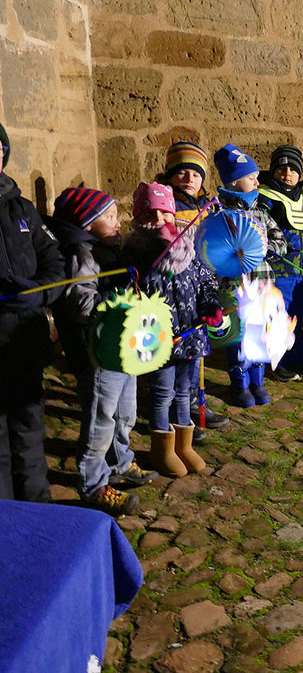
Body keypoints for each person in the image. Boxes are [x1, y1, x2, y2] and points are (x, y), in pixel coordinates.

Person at [46, 187, 158, 513]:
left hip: (121, 347)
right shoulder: (83, 253)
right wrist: (119, 306)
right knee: (101, 417)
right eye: (109, 217)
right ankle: (93, 482)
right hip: (98, 350)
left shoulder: (110, 249)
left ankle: (120, 461)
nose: (117, 221)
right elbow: (82, 304)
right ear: (88, 224)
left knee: (126, 411)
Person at [123, 182, 221, 478]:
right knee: (162, 392)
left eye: (164, 213)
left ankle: (183, 446)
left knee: (183, 392)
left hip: (189, 335)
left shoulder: (188, 248)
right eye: (150, 214)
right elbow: (129, 292)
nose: (158, 220)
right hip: (161, 339)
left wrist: (210, 306)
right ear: (139, 219)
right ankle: (161, 448)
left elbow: (206, 282)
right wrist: (141, 274)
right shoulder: (136, 253)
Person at [0, 122, 66, 501]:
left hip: (24, 336)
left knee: (28, 425)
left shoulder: (22, 208)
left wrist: (41, 293)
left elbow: (53, 257)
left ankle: (38, 507)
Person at [158, 141, 228, 436]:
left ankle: (194, 404)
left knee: (196, 352)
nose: (189, 179)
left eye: (196, 174)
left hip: (201, 282)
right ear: (170, 174)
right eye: (182, 172)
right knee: (177, 352)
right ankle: (176, 411)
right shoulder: (165, 203)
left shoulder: (206, 205)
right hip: (175, 285)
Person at [213, 144, 287, 407]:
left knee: (259, 333)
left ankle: (258, 381)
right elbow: (213, 247)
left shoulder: (261, 211)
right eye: (250, 177)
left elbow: (280, 239)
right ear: (234, 181)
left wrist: (267, 249)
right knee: (239, 335)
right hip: (235, 287)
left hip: (262, 284)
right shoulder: (220, 214)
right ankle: (240, 383)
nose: (257, 181)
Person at [258, 145, 303, 382]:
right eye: (282, 168)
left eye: (293, 169)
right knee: (278, 318)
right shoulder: (265, 197)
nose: (287, 173)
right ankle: (276, 363)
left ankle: (295, 360)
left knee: (298, 316)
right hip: (279, 272)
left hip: (302, 272)